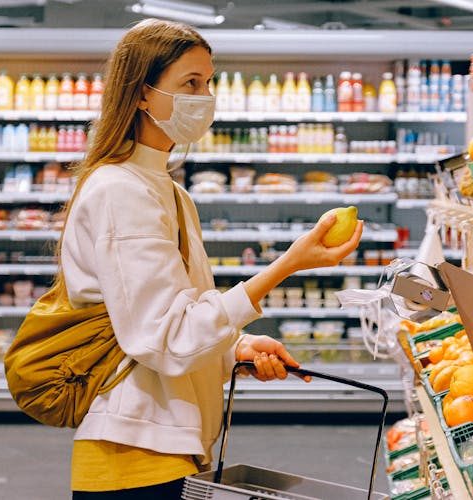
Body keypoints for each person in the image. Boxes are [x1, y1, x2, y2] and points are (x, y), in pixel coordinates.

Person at [58, 19, 363, 499]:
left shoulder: (170, 192)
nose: (205, 97)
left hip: (170, 446)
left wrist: (234, 348)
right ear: (142, 94)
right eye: (191, 83)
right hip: (134, 454)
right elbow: (166, 338)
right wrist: (286, 266)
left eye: (209, 82)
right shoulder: (120, 191)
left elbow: (180, 313)